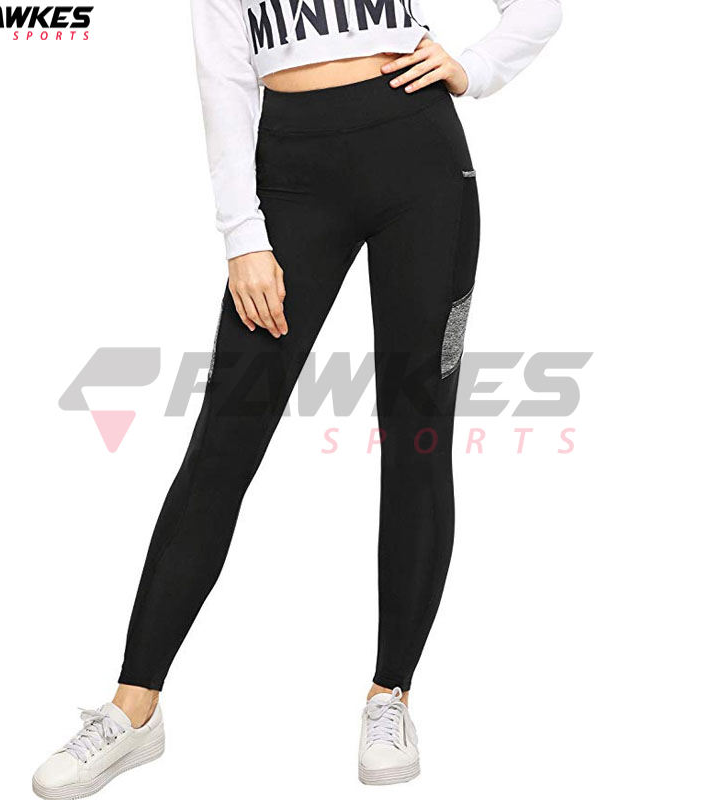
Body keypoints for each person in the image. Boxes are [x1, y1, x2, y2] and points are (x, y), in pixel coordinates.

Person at [32, 0, 562, 795]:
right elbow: (223, 79)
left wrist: (477, 68)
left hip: (420, 160)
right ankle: (133, 709)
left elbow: (539, 8)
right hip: (294, 175)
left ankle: (390, 694)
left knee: (416, 432)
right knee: (225, 439)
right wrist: (242, 235)